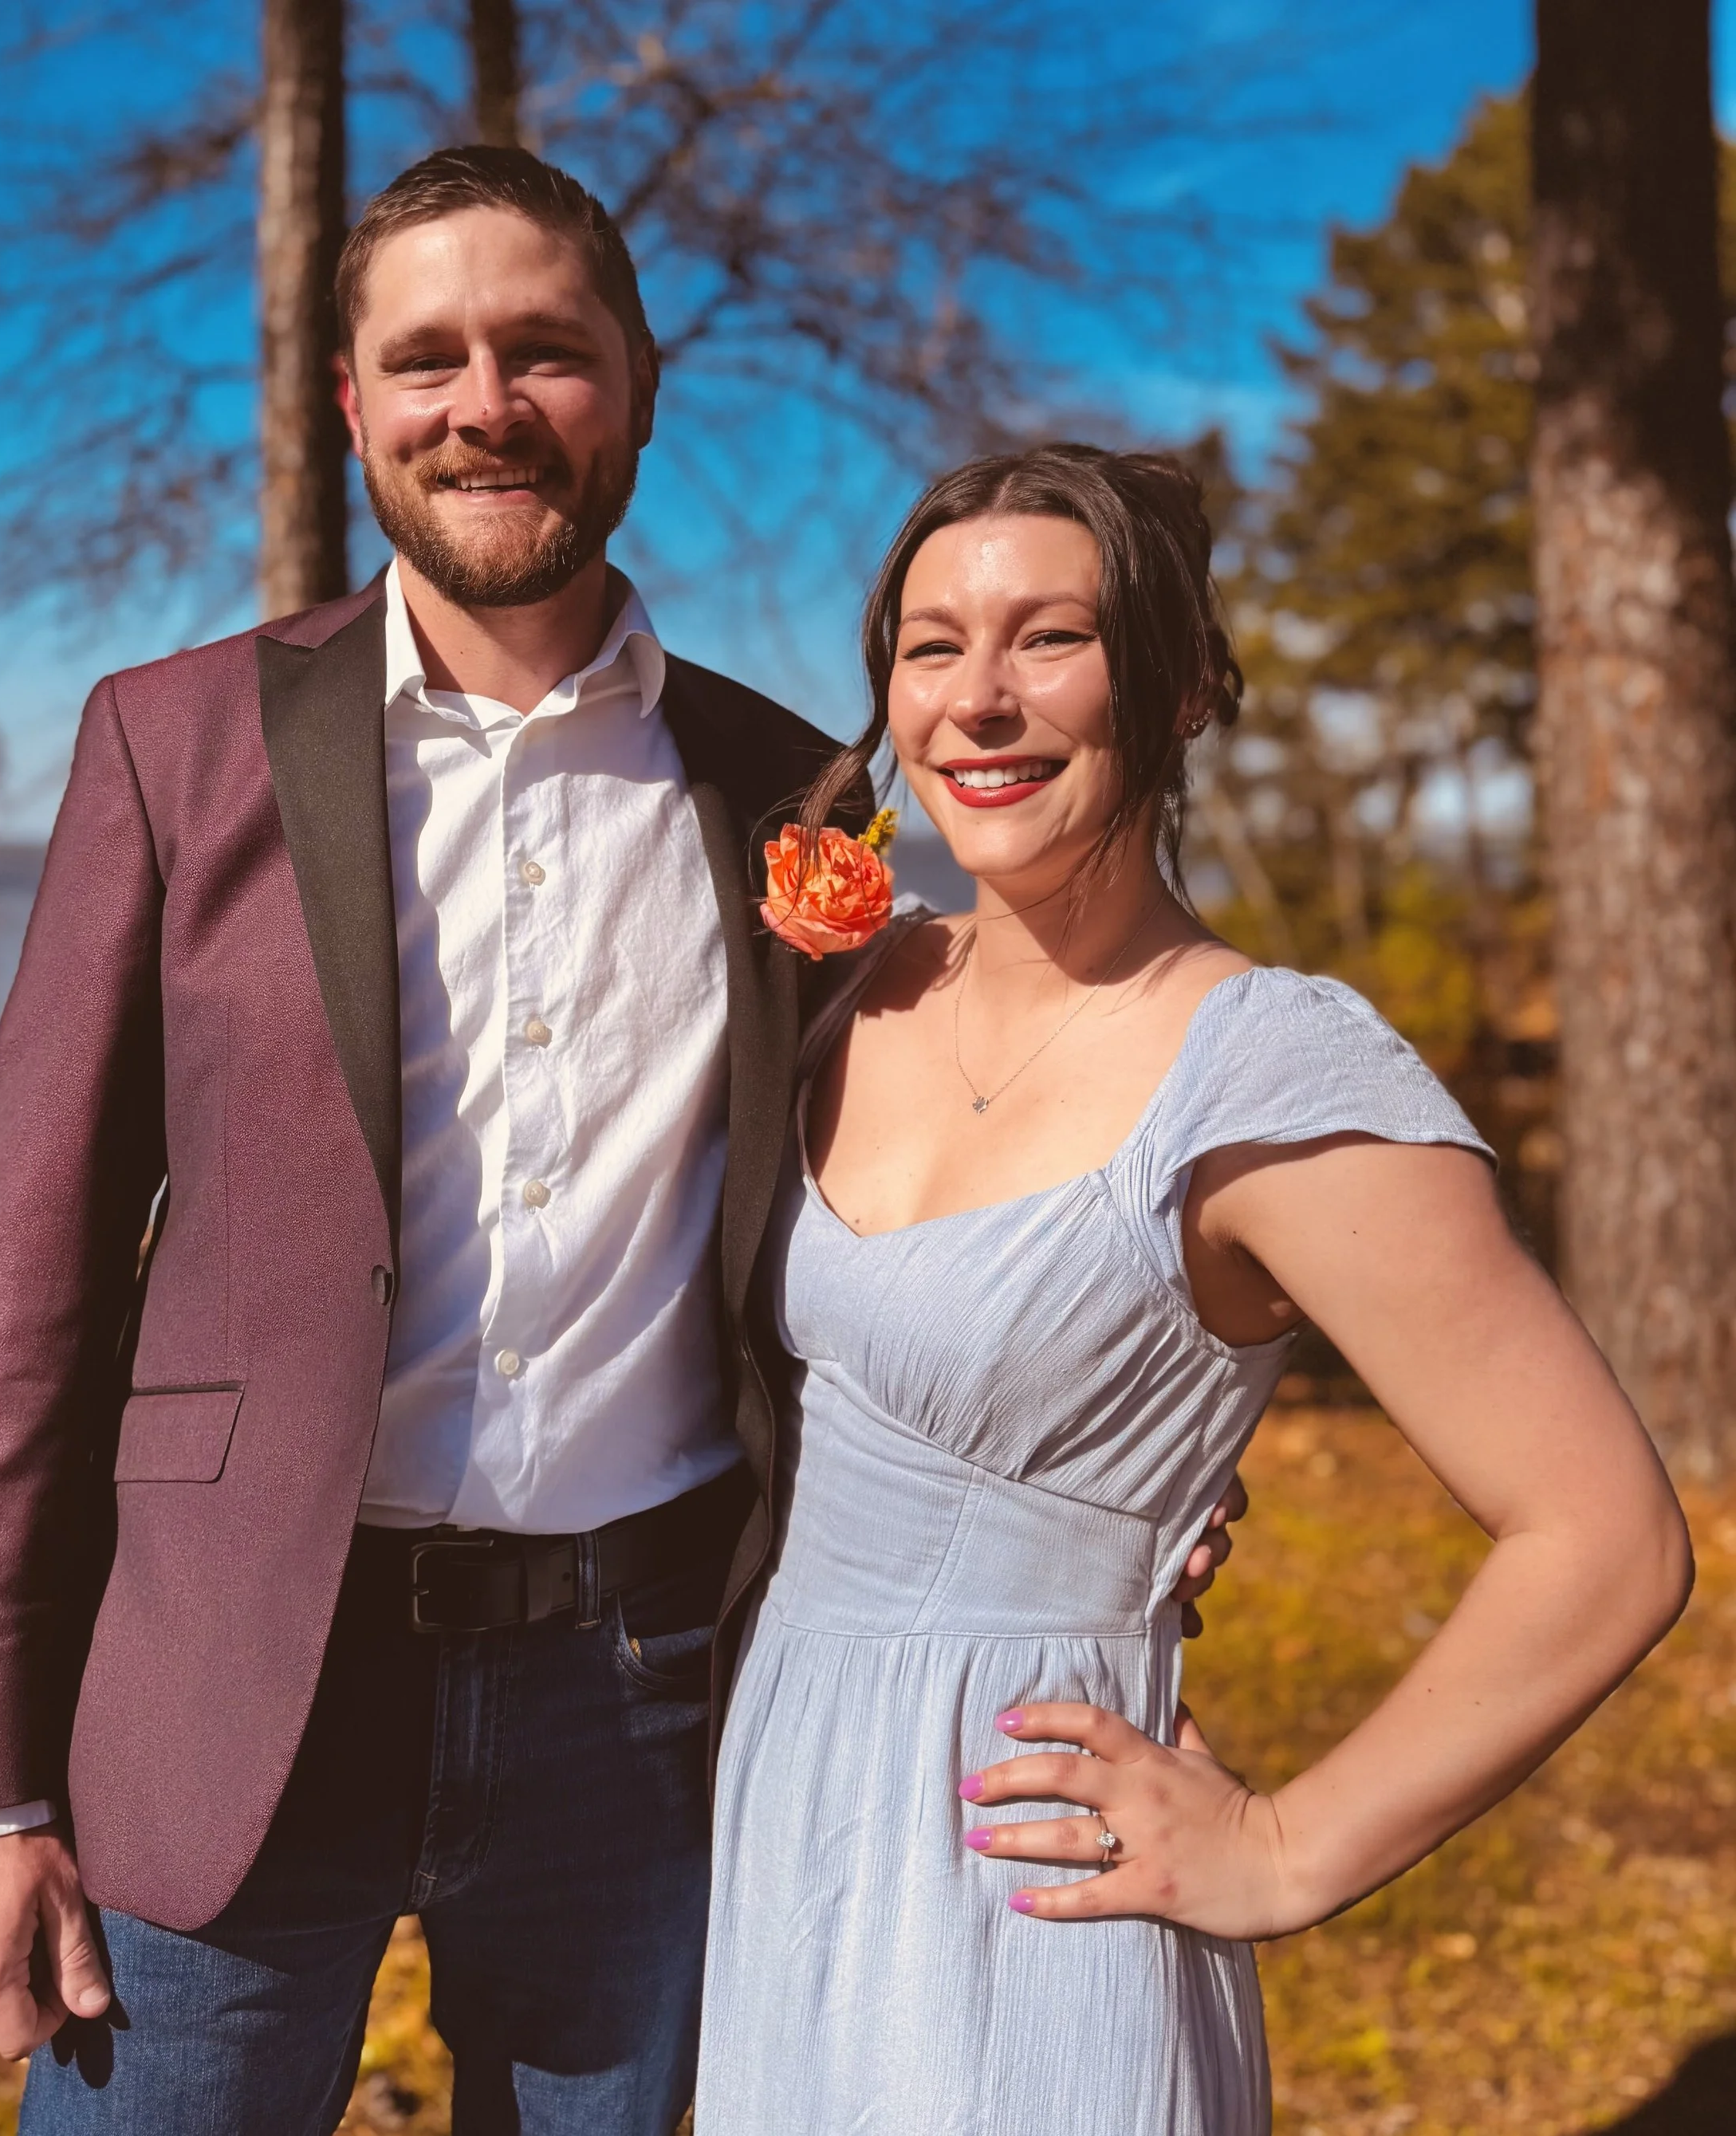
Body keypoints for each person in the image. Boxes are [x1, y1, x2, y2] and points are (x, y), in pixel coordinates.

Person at [0, 149, 1243, 2134]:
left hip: (647, 1703)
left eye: (543, 349)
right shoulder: (166, 747)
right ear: (351, 403)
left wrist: (1130, 1463)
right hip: (232, 1677)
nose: (483, 403)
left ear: (638, 378)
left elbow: (948, 1167)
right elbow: (25, 1283)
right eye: (423, 358)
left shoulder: (801, 793)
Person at [695, 444, 1693, 2134]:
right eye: (931, 647)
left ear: (1173, 693)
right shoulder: (860, 988)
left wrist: (1282, 1847)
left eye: (1048, 640)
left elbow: (1603, 1538)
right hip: (785, 1818)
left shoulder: (1270, 1071)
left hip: (1022, 1878)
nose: (979, 700)